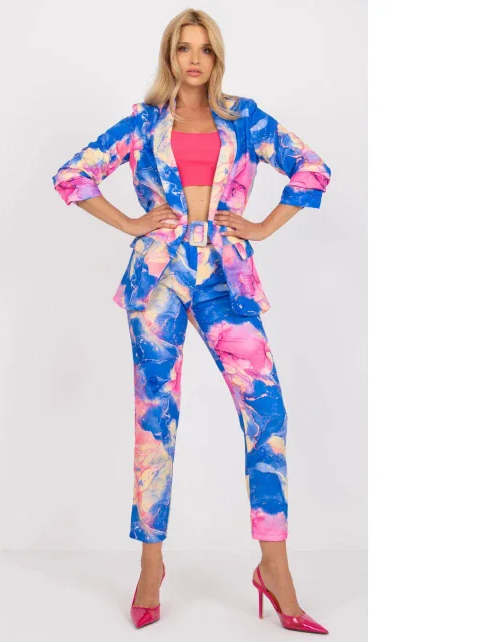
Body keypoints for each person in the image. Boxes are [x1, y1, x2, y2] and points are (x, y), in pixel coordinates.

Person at [51, 8, 332, 635]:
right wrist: (130, 222)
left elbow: (312, 166)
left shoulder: (244, 119)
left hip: (226, 276)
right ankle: (151, 566)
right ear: (170, 56)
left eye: (205, 48)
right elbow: (72, 175)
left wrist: (262, 227)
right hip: (158, 278)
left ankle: (275, 569)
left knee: (268, 416)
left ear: (217, 56)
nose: (195, 59)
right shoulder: (143, 123)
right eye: (184, 48)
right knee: (156, 419)